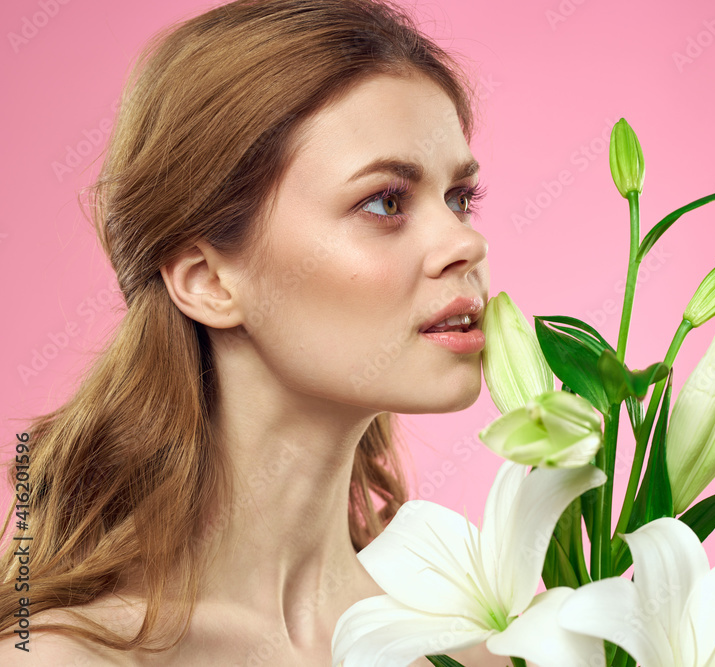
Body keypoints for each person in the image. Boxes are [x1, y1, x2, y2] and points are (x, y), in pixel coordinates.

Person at [0, 0, 508, 664]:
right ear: (208, 279)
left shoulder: (485, 649)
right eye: (385, 201)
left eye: (459, 198)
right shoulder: (62, 657)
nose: (464, 242)